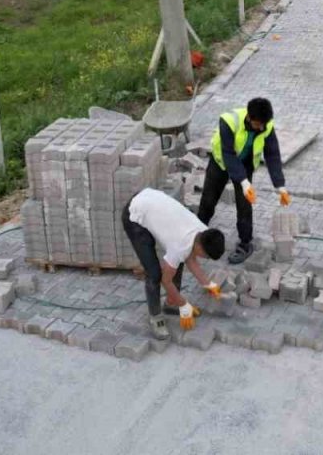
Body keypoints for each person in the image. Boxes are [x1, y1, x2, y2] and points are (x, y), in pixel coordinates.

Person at [122, 187, 226, 340]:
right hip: (135, 214)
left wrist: (208, 284)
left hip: (151, 200)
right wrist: (184, 304)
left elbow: (191, 259)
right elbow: (166, 280)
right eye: (206, 256)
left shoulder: (202, 232)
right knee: (155, 274)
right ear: (200, 247)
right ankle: (156, 317)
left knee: (180, 260)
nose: (204, 258)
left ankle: (171, 303)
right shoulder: (180, 246)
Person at [196, 97, 288, 264]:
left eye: (263, 125)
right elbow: (228, 154)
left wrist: (280, 185)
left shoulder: (266, 126)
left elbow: (272, 154)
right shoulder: (229, 122)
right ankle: (195, 234)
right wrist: (244, 182)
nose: (261, 128)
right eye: (258, 124)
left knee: (245, 205)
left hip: (245, 164)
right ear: (249, 118)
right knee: (208, 200)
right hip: (221, 162)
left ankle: (245, 242)